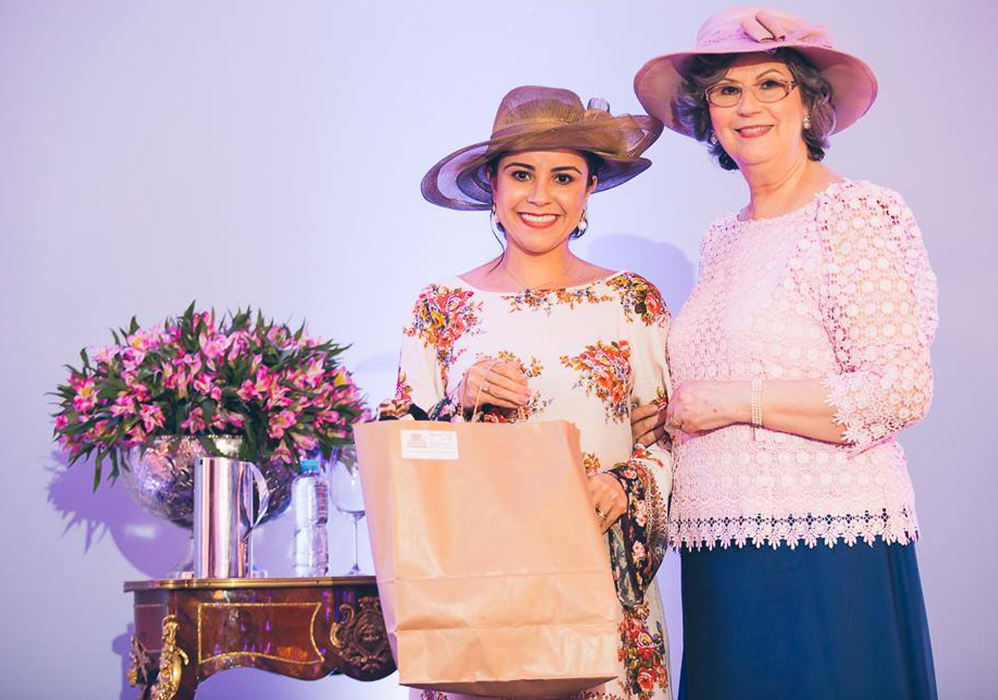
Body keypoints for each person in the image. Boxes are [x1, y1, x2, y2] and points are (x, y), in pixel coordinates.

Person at [629, 7, 939, 699]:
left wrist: (733, 402)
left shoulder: (852, 214)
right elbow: (725, 380)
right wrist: (674, 414)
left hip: (822, 545)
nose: (748, 106)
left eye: (770, 84)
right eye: (726, 90)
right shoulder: (723, 237)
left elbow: (899, 390)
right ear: (707, 112)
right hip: (719, 549)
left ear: (809, 103)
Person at [380, 85, 674, 700]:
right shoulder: (440, 307)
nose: (541, 196)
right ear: (491, 184)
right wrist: (458, 403)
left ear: (589, 190)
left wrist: (623, 485)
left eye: (563, 177)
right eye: (521, 174)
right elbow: (402, 462)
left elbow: (667, 439)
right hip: (477, 600)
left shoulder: (632, 302)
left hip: (599, 591)